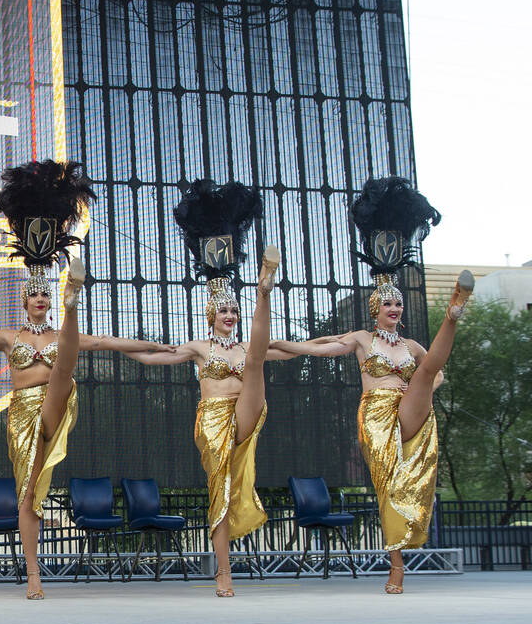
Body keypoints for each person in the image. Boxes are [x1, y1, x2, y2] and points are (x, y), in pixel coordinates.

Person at [0, 160, 167, 599]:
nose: (40, 300)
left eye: (46, 294)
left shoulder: (63, 335)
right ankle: (33, 573)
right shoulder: (9, 336)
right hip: (22, 413)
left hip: (57, 399)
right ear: (25, 301)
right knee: (28, 493)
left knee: (69, 356)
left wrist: (151, 346)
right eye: (35, 295)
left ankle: (74, 300)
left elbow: (108, 343)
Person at [270, 177, 472, 594]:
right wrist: (269, 345)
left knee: (428, 370)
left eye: (398, 303)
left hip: (411, 404)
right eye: (388, 304)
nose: (395, 309)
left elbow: (438, 374)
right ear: (375, 309)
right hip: (377, 414)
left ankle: (453, 313)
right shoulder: (363, 339)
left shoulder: (413, 344)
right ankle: (395, 566)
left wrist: (426, 388)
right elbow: (319, 349)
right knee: (388, 484)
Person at [97, 180, 282, 597]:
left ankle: (263, 292)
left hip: (248, 407)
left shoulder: (249, 345)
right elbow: (155, 357)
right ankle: (223, 572)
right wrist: (123, 348)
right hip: (214, 420)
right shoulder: (199, 347)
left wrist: (320, 348)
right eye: (225, 310)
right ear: (211, 314)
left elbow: (294, 349)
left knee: (256, 357)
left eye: (235, 309)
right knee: (220, 490)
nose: (230, 315)